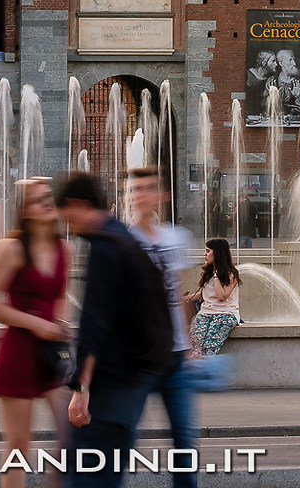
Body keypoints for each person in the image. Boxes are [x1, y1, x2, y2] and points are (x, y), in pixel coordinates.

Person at [55, 170, 175, 479]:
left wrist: (81, 388)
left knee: (90, 475)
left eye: (67, 216)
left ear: (78, 204)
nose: (68, 226)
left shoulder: (106, 247)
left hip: (111, 385)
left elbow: (96, 322)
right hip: (133, 379)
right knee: (106, 472)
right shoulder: (122, 236)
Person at [0, 178, 72, 463]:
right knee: (18, 448)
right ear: (25, 210)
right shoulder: (11, 248)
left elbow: (60, 296)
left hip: (51, 356)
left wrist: (62, 328)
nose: (47, 203)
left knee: (72, 440)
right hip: (18, 354)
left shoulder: (63, 249)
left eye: (48, 197)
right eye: (37, 200)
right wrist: (37, 324)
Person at [123, 167, 200, 454]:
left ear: (161, 196)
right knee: (125, 433)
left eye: (147, 189)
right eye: (134, 190)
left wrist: (189, 344)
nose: (140, 196)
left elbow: (180, 294)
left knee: (184, 438)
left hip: (175, 356)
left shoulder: (177, 238)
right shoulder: (123, 242)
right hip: (137, 359)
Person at [189, 240, 240, 358]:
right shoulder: (208, 272)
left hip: (225, 314)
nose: (205, 254)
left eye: (208, 251)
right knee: (195, 346)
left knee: (209, 348)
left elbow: (221, 297)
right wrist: (186, 298)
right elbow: (203, 294)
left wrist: (217, 276)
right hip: (205, 313)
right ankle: (197, 373)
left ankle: (206, 373)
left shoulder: (231, 273)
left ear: (217, 254)